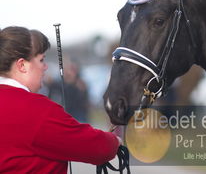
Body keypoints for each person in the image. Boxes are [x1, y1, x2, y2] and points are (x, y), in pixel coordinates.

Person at [0, 26, 120, 173]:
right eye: (41, 60)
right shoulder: (36, 109)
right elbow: (96, 147)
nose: (45, 67)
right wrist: (114, 141)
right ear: (22, 65)